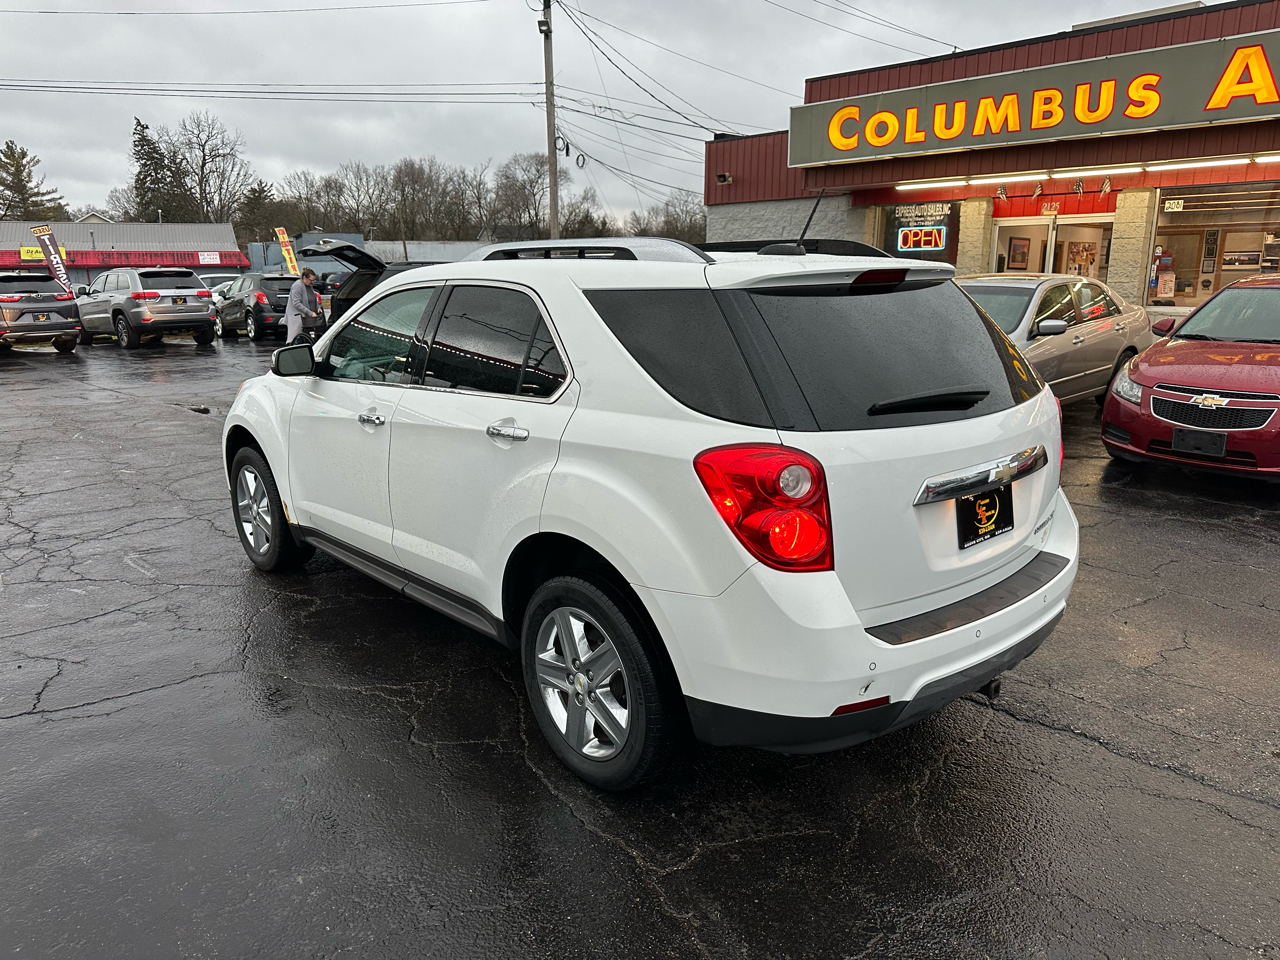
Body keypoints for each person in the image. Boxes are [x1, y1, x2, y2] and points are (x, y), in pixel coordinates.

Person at [284, 268, 320, 343]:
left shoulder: (309, 286)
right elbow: (296, 303)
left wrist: (318, 308)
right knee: (296, 336)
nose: (312, 282)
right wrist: (310, 313)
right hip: (297, 317)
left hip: (307, 318)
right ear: (304, 278)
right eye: (311, 280)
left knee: (307, 337)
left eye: (314, 280)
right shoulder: (297, 286)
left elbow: (312, 298)